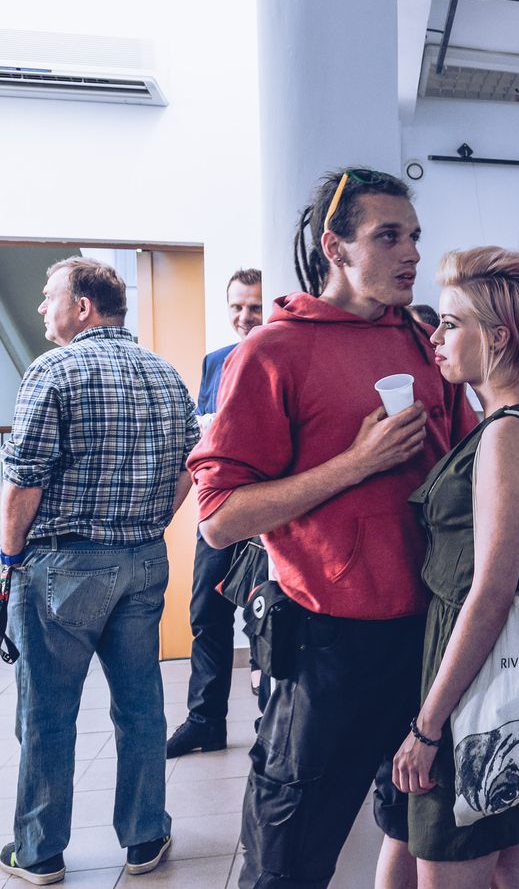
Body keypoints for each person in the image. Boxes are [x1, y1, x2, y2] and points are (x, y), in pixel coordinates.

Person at [187, 167, 478, 889]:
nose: (411, 253)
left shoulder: (424, 341)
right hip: (326, 645)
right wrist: (355, 464)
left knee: (418, 836)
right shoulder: (271, 352)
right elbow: (219, 518)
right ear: (335, 247)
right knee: (287, 860)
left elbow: (470, 460)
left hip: (432, 637)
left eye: (414, 236)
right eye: (389, 236)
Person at [0, 257, 199, 883]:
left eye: (49, 295)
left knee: (47, 712)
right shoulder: (165, 373)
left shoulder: (52, 370)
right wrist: (151, 522)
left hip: (63, 565)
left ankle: (39, 853)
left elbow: (22, 482)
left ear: (82, 306)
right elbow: (194, 462)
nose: (41, 307)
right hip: (143, 560)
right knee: (140, 705)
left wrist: (8, 558)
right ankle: (145, 837)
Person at [393, 246, 519, 888]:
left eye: (451, 324)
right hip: (509, 678)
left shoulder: (504, 432)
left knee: (455, 852)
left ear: (496, 337)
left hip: (473, 675)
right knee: (515, 851)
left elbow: (490, 593)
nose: (436, 338)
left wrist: (428, 728)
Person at [167, 267, 265, 758]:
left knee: (268, 618)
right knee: (206, 614)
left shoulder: (286, 355)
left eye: (255, 307)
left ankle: (273, 723)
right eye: (237, 307)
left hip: (268, 512)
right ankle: (205, 721)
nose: (245, 316)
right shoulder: (214, 362)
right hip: (218, 510)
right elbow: (202, 439)